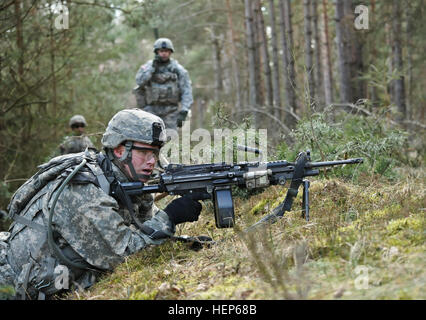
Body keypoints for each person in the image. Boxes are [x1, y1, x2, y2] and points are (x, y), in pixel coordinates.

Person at [0, 108, 202, 300]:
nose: (152, 161)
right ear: (120, 150)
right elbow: (124, 255)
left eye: (156, 153)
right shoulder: (83, 191)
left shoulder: (119, 179)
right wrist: (171, 217)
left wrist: (182, 239)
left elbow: (144, 227)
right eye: (145, 153)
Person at [134, 38, 193, 130]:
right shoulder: (148, 67)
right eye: (161, 51)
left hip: (171, 112)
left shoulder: (178, 69)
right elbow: (139, 82)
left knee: (170, 139)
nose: (164, 53)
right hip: (150, 111)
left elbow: (186, 90)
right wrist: (152, 68)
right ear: (157, 52)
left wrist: (184, 110)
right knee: (149, 139)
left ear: (170, 52)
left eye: (166, 51)